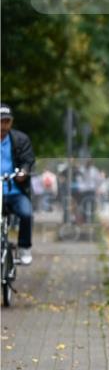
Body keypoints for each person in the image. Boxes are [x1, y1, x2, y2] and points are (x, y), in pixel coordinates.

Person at [0, 104, 35, 265]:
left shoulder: (21, 139)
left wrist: (24, 172)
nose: (3, 125)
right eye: (1, 121)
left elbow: (28, 160)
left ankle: (24, 247)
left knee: (26, 214)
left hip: (15, 192)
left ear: (11, 122)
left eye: (7, 121)